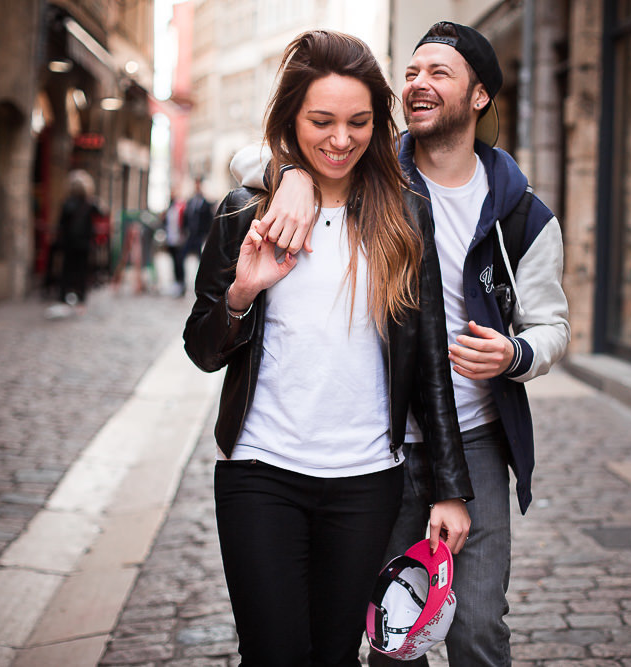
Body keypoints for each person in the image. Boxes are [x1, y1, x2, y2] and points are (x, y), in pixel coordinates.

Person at [232, 21, 571, 666]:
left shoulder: (522, 214)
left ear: (479, 97)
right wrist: (294, 175)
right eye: (412, 72)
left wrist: (515, 354)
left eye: (439, 73)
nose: (418, 83)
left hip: (469, 438)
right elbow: (253, 157)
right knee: (391, 634)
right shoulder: (366, 169)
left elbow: (552, 325)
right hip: (378, 441)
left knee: (475, 628)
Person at [182, 30, 473, 666]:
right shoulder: (245, 214)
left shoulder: (404, 214)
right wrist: (241, 295)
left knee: (337, 656)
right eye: (321, 121)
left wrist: (451, 486)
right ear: (291, 118)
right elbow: (202, 349)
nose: (340, 140)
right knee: (274, 653)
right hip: (260, 475)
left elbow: (427, 361)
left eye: (359, 122)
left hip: (367, 482)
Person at [54, 169, 101, 309]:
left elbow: (61, 224)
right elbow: (102, 212)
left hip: (70, 242)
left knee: (67, 269)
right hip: (84, 242)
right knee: (82, 269)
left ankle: (63, 294)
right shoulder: (89, 204)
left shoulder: (67, 203)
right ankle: (81, 295)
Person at [181, 176, 212, 263]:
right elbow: (186, 216)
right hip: (191, 234)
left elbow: (208, 219)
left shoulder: (205, 203)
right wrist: (185, 229)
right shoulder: (191, 201)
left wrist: (205, 234)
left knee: (201, 258)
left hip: (200, 235)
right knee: (182, 256)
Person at [162, 191, 186, 296]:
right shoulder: (169, 210)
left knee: (179, 261)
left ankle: (181, 282)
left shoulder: (180, 209)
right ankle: (176, 282)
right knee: (173, 262)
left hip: (179, 240)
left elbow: (184, 222)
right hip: (170, 239)